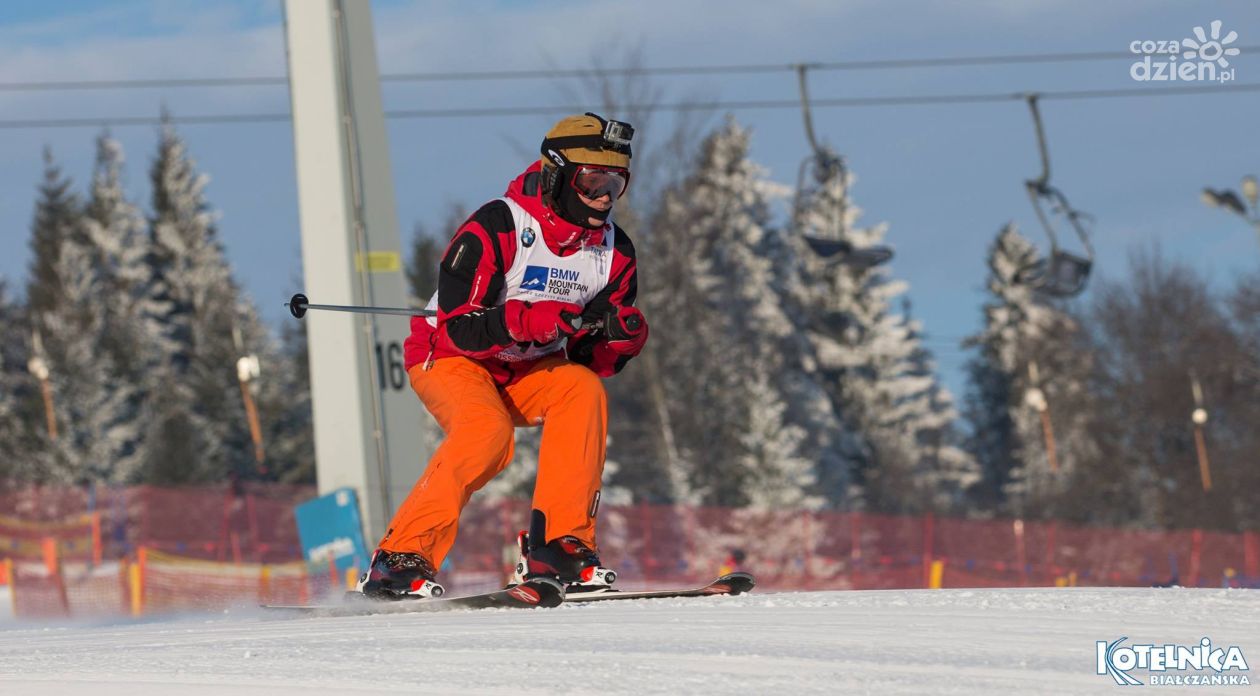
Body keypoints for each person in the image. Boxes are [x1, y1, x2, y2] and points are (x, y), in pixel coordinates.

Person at [355, 113, 648, 599]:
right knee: (487, 432)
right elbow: (459, 326)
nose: (603, 197)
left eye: (616, 184)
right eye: (592, 181)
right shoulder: (499, 225)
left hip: (524, 369)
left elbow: (584, 356)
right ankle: (400, 557)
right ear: (556, 175)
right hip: (450, 356)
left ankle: (557, 546)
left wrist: (616, 342)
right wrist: (529, 319)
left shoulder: (614, 253)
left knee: (582, 390)